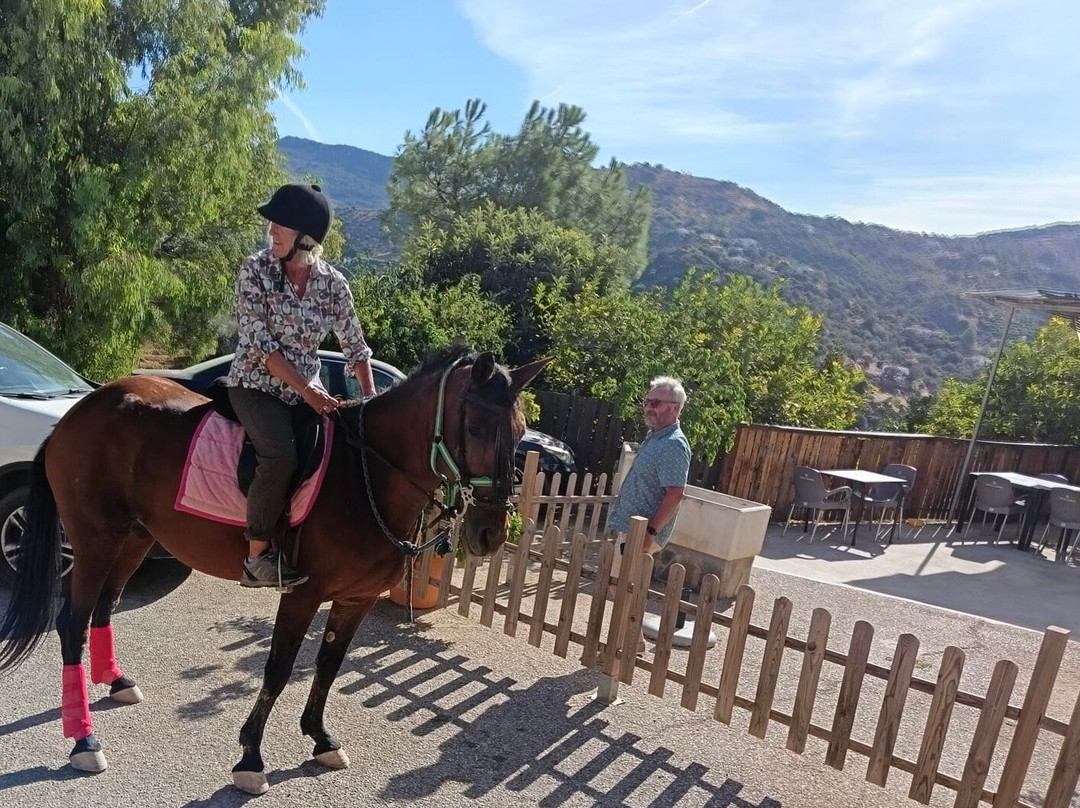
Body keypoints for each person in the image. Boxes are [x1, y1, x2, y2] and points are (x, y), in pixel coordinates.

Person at [226, 182, 376, 588]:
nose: (270, 230)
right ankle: (256, 557)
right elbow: (260, 343)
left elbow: (355, 347)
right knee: (281, 456)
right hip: (254, 385)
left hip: (305, 394)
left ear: (305, 238)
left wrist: (371, 402)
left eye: (280, 225)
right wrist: (308, 389)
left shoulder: (333, 284)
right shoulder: (254, 270)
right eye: (272, 224)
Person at [607, 377, 691, 599]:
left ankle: (628, 634)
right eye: (647, 401)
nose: (648, 408)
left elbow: (675, 494)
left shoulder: (673, 444)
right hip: (633, 529)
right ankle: (631, 635)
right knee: (620, 588)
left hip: (641, 532)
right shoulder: (656, 438)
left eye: (655, 403)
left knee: (622, 589)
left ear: (675, 408)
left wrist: (649, 533)